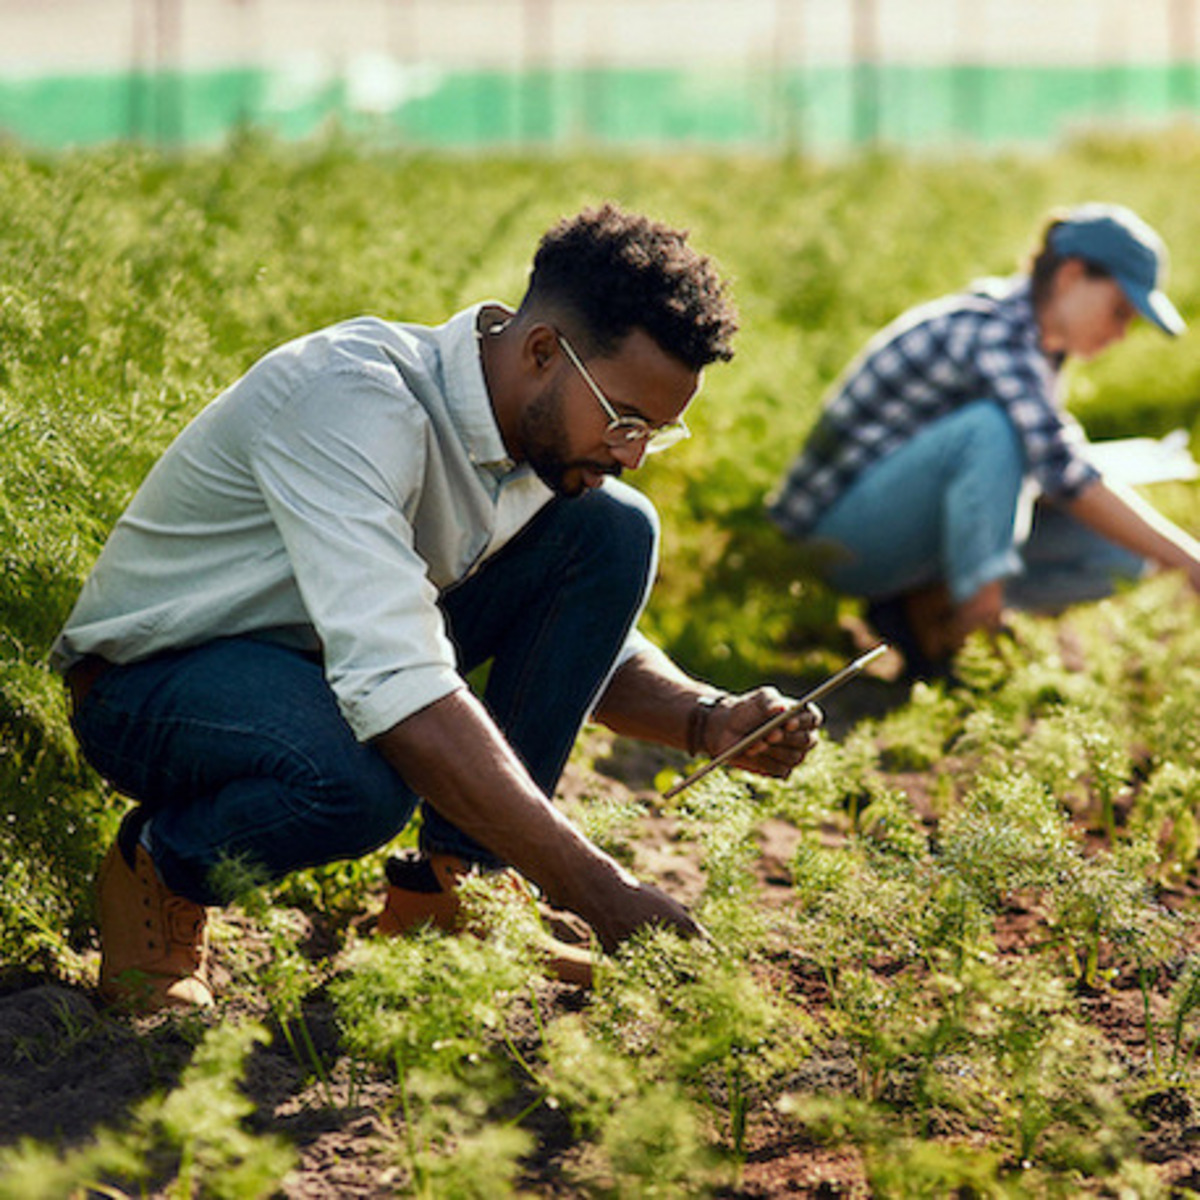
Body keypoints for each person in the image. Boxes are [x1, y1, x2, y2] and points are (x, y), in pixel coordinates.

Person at [52, 203, 821, 1012]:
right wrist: (604, 893)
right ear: (541, 351)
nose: (631, 454)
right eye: (626, 420)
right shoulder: (353, 402)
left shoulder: (532, 431)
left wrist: (708, 720)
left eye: (655, 433)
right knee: (356, 783)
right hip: (158, 683)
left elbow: (577, 646)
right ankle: (159, 866)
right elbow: (401, 688)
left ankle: (457, 895)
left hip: (316, 662)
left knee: (611, 530)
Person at [768, 202, 1200, 680]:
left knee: (1121, 554)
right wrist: (1190, 561)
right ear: (1071, 276)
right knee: (990, 429)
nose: (1121, 333)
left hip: (903, 532)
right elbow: (1063, 471)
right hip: (839, 543)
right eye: (1119, 310)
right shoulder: (997, 331)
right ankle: (975, 635)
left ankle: (923, 615)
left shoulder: (1039, 348)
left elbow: (1053, 469)